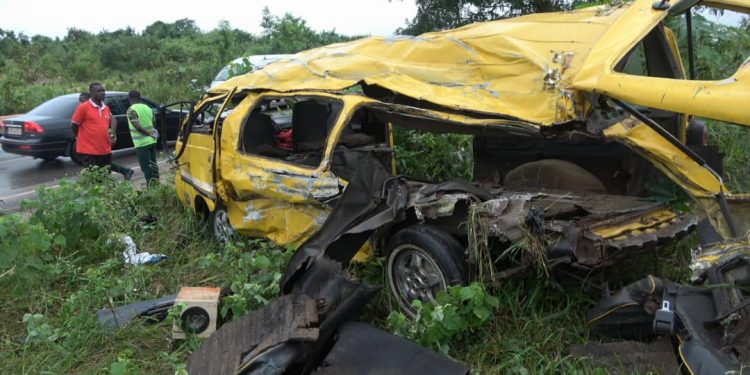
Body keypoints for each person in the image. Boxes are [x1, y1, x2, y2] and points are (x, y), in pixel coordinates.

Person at [71, 83, 134, 180]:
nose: (102, 93)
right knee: (94, 179)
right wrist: (80, 138)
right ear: (91, 93)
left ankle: (110, 193)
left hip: (104, 149)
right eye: (99, 91)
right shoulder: (84, 107)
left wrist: (112, 135)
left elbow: (112, 120)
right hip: (89, 151)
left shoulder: (106, 108)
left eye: (103, 91)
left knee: (105, 177)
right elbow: (74, 125)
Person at [126, 90, 159, 185]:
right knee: (153, 164)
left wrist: (147, 133)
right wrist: (152, 134)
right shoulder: (147, 108)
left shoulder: (131, 110)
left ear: (129, 99)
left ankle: (152, 186)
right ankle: (157, 184)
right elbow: (154, 122)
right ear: (139, 98)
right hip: (152, 141)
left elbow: (137, 126)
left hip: (141, 144)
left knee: (146, 167)